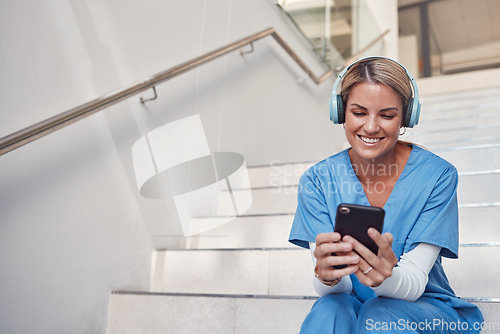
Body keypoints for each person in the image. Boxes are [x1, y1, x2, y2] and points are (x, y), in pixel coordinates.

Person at [288, 57, 484, 333]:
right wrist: (326, 276)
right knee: (329, 311)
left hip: (420, 306)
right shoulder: (318, 180)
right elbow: (335, 290)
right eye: (358, 113)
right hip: (351, 303)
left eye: (387, 115)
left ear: (407, 116)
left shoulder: (437, 176)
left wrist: (384, 279)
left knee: (379, 314)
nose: (370, 127)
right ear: (340, 112)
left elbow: (414, 283)